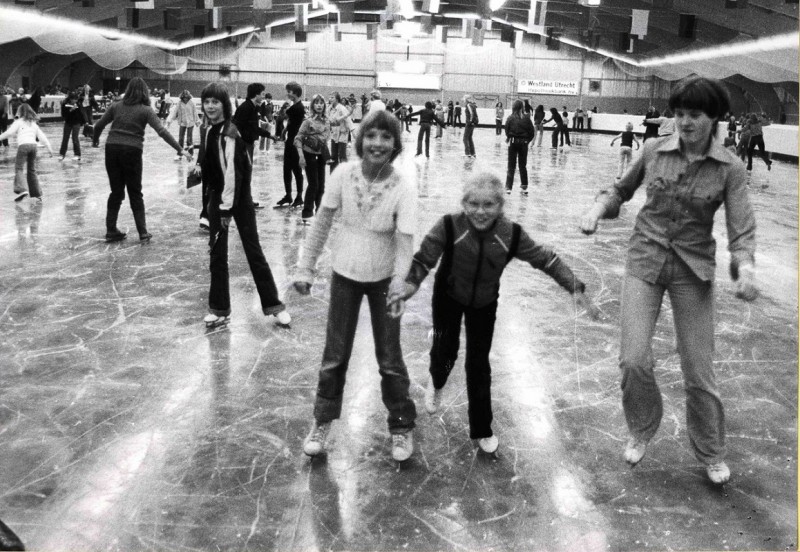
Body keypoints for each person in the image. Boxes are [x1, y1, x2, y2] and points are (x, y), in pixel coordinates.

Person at [579, 75, 757, 485]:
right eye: (679, 114)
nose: (685, 122)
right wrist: (596, 209)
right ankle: (641, 429)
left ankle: (711, 451)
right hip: (645, 260)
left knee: (699, 369)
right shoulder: (653, 150)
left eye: (694, 114)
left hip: (693, 270)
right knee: (633, 359)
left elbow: (741, 229)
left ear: (713, 117)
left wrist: (745, 267)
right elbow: (619, 192)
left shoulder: (730, 168)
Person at [395, 171, 599, 454]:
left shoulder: (510, 234)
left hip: (484, 302)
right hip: (448, 296)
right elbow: (424, 258)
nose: (480, 211)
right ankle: (438, 379)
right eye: (474, 204)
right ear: (464, 204)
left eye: (489, 205)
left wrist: (573, 285)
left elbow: (545, 258)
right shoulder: (450, 226)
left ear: (500, 206)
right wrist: (409, 284)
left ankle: (482, 428)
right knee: (445, 349)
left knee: (479, 365)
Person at [293, 109, 417, 463]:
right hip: (344, 274)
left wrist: (399, 283)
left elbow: (406, 242)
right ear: (360, 140)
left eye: (386, 137)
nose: (378, 143)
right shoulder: (342, 174)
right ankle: (322, 421)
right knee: (335, 355)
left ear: (395, 144)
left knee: (390, 357)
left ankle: (401, 423)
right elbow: (321, 223)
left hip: (384, 281)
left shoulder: (403, 187)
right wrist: (305, 268)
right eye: (372, 136)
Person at [189, 82, 290, 329]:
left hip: (237, 200)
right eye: (207, 101)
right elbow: (217, 167)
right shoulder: (211, 131)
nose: (210, 106)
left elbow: (233, 174)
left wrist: (224, 209)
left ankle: (274, 306)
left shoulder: (229, 132)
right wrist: (199, 169)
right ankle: (220, 308)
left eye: (215, 102)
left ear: (225, 104)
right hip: (218, 199)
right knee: (217, 255)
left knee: (253, 251)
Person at [93, 77, 190, 243]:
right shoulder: (146, 110)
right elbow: (162, 131)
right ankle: (143, 232)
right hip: (132, 151)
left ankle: (111, 229)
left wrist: (95, 141)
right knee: (135, 192)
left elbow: (99, 125)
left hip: (112, 149)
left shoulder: (115, 106)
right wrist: (180, 149)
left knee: (116, 191)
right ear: (145, 92)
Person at [233, 83, 280, 208]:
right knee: (244, 173)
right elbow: (235, 126)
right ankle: (241, 201)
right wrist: (240, 144)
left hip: (248, 144)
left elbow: (254, 128)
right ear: (256, 94)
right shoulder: (246, 107)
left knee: (247, 173)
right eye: (262, 94)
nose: (264, 96)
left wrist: (269, 135)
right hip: (243, 145)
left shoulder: (253, 107)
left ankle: (246, 199)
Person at [0, 103, 54, 202]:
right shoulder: (33, 123)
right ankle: (37, 194)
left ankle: (22, 189)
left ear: (19, 112)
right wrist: (49, 148)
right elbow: (42, 136)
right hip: (33, 147)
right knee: (32, 170)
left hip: (23, 146)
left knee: (19, 168)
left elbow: (9, 133)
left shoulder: (18, 122)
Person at [295, 94, 331, 223]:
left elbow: (326, 136)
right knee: (313, 184)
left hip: (321, 155)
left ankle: (319, 212)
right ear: (312, 105)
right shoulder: (308, 121)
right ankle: (307, 213)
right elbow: (298, 138)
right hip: (309, 154)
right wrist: (301, 156)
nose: (319, 105)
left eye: (322, 102)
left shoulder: (327, 121)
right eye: (316, 103)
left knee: (321, 185)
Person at [275, 81, 305, 208]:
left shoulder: (297, 108)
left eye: (289, 91)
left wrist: (283, 108)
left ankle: (298, 196)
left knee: (296, 170)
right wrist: (284, 130)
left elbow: (281, 117)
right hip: (290, 140)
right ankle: (289, 195)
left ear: (295, 93)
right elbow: (290, 123)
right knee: (287, 169)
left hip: (295, 142)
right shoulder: (294, 107)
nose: (287, 93)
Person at [504, 100, 534, 194]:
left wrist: (509, 137)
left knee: (511, 166)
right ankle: (524, 186)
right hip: (523, 144)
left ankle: (508, 187)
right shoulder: (527, 118)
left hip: (513, 143)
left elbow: (506, 130)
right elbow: (531, 132)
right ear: (522, 107)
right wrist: (526, 141)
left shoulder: (510, 118)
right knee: (522, 166)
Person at [166, 89, 198, 160]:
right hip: (182, 122)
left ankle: (190, 154)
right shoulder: (179, 103)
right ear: (182, 97)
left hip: (190, 122)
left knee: (189, 139)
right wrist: (170, 121)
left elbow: (195, 113)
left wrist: (197, 121)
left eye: (187, 98)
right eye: (184, 98)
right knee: (180, 139)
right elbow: (175, 112)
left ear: (189, 97)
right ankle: (179, 154)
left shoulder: (192, 103)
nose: (185, 99)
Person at [328, 92, 352, 172]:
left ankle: (344, 174)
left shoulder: (342, 108)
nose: (330, 99)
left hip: (342, 133)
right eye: (330, 97)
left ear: (337, 99)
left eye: (332, 97)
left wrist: (353, 131)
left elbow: (348, 121)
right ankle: (333, 174)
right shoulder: (329, 108)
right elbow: (327, 119)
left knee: (342, 155)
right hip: (334, 134)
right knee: (333, 155)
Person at [59, 92, 84, 162]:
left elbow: (81, 114)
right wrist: (71, 110)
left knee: (75, 138)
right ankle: (62, 154)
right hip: (68, 123)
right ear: (70, 99)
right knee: (65, 138)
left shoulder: (78, 104)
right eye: (74, 99)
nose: (75, 101)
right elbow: (63, 115)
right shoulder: (65, 104)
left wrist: (84, 122)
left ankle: (77, 155)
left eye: (76, 99)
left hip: (76, 123)